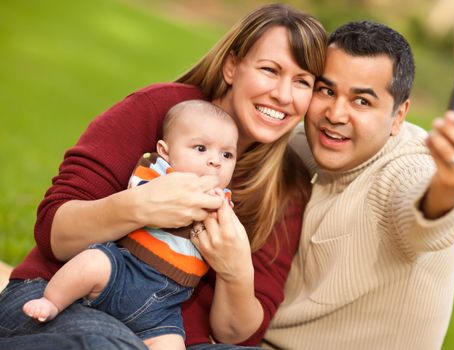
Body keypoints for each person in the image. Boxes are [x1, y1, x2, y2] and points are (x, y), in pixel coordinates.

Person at [0, 4, 326, 350]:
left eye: (302, 81)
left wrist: (236, 271)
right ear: (232, 66)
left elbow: (238, 335)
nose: (284, 95)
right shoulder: (160, 110)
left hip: (167, 334)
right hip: (65, 299)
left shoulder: (286, 185)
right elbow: (54, 232)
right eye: (270, 70)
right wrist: (140, 207)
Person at [262, 21, 454, 349]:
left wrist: (450, 185)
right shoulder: (299, 143)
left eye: (361, 101)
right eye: (327, 91)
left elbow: (425, 213)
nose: (335, 114)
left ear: (399, 115)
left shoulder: (409, 166)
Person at [21, 100, 238, 350]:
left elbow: (225, 239)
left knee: (172, 343)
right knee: (92, 262)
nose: (215, 162)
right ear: (165, 152)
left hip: (164, 306)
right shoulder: (156, 173)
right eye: (200, 148)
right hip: (123, 270)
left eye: (227, 154)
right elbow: (140, 194)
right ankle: (52, 301)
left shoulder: (223, 201)